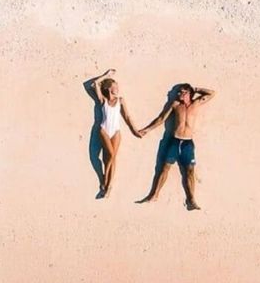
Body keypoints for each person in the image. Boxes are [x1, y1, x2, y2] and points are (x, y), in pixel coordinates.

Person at [135, 83, 215, 211]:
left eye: (182, 92)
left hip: (188, 143)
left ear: (189, 93)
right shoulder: (175, 105)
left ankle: (191, 200)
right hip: (174, 141)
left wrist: (196, 89)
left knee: (189, 171)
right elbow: (161, 118)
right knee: (164, 168)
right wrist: (146, 130)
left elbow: (212, 93)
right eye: (178, 92)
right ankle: (154, 195)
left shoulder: (197, 103)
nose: (179, 94)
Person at [83, 69, 137, 199]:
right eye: (115, 87)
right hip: (104, 130)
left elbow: (127, 116)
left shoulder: (120, 100)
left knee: (112, 158)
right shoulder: (103, 100)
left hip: (116, 131)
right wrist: (106, 75)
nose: (117, 89)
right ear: (108, 88)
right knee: (109, 155)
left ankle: (108, 185)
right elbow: (94, 84)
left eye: (117, 87)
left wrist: (134, 130)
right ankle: (104, 180)